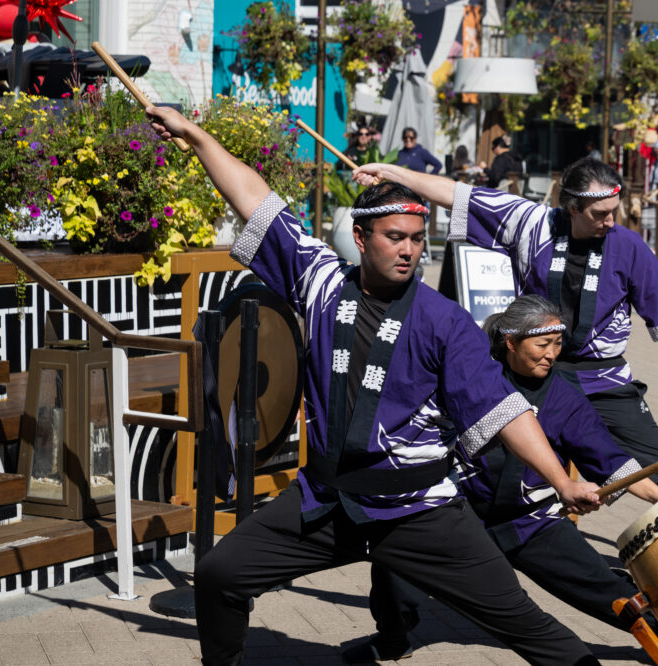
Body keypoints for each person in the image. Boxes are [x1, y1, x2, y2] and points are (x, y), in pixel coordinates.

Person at [143, 104, 604, 665]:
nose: (409, 249)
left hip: (419, 507)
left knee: (525, 624)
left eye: (416, 237)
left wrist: (561, 480)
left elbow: (505, 410)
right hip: (329, 499)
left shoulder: (444, 321)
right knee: (218, 574)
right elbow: (253, 196)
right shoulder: (317, 281)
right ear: (361, 238)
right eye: (394, 236)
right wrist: (194, 135)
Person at [352, 158, 658, 492]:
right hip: (534, 373)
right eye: (600, 214)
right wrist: (391, 173)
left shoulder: (627, 245)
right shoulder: (531, 223)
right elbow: (457, 194)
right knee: (496, 463)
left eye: (614, 211)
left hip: (606, 379)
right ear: (570, 207)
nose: (611, 221)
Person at [346, 295, 658, 662]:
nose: (552, 354)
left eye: (558, 344)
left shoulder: (564, 397)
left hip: (532, 522)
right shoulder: (470, 376)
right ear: (511, 342)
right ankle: (392, 638)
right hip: (459, 515)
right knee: (393, 564)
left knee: (606, 590)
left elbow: (609, 459)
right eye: (543, 344)